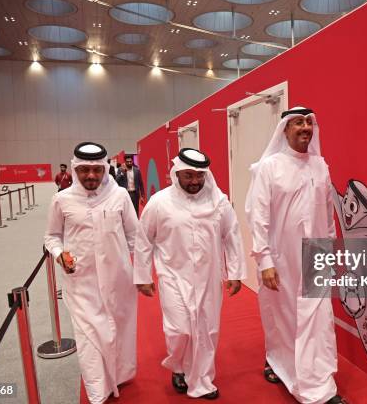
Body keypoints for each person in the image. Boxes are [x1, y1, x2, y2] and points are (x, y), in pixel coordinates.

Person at [245, 107, 347, 404]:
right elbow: (258, 216)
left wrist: (330, 251)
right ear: (284, 130)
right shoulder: (270, 167)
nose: (305, 127)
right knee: (284, 316)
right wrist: (264, 260)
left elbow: (328, 214)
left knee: (317, 318)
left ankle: (317, 388)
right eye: (298, 123)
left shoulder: (320, 165)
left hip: (316, 255)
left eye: (309, 122)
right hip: (281, 258)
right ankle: (278, 361)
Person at [134, 148, 247, 400]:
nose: (194, 181)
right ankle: (178, 366)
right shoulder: (159, 202)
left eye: (199, 176)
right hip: (172, 275)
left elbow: (232, 235)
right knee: (179, 329)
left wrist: (236, 272)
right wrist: (142, 276)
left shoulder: (218, 201)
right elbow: (144, 240)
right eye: (188, 175)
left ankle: (202, 379)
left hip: (209, 277)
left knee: (207, 331)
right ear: (176, 174)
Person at [44, 142, 139, 404]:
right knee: (88, 335)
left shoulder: (119, 196)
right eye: (84, 170)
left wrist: (142, 274)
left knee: (116, 330)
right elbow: (52, 237)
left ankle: (117, 376)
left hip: (119, 280)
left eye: (96, 170)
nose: (91, 176)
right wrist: (59, 254)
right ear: (75, 170)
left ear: (105, 169)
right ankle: (98, 392)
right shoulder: (62, 199)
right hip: (80, 283)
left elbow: (135, 237)